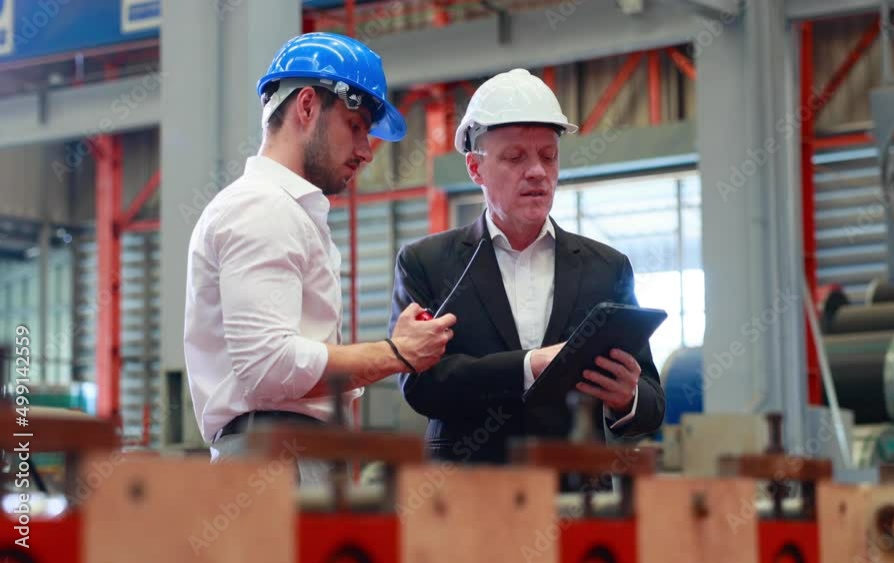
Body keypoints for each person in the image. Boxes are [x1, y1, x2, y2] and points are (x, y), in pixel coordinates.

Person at [183, 33, 456, 485]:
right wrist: (396, 353)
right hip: (273, 459)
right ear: (307, 107)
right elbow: (270, 369)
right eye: (356, 126)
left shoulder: (286, 212)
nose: (367, 151)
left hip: (291, 454)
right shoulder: (262, 208)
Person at [388, 69, 663, 478]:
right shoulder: (428, 263)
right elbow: (421, 386)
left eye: (548, 156)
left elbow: (652, 403)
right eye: (516, 157)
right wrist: (530, 365)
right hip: (464, 498)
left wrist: (628, 398)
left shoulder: (606, 268)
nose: (536, 171)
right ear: (475, 169)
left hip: (575, 497)